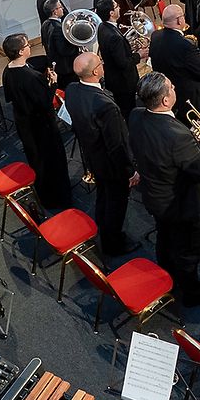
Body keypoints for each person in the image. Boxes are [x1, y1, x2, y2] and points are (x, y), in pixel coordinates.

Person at [128, 73, 200, 307]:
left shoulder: (137, 115)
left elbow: (162, 150)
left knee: (165, 240)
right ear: (166, 101)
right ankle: (191, 294)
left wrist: (190, 140)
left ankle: (165, 277)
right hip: (181, 205)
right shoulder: (177, 136)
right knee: (188, 252)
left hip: (155, 196)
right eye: (171, 86)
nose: (174, 87)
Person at [64, 53, 138, 256]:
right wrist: (129, 172)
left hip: (92, 157)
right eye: (100, 62)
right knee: (117, 202)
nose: (103, 63)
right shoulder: (106, 107)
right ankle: (113, 244)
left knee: (104, 196)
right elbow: (116, 146)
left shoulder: (71, 90)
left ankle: (103, 230)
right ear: (96, 71)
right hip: (111, 165)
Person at [1, 41, 72, 211]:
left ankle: (44, 193)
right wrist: (53, 83)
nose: (29, 47)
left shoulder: (7, 71)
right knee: (51, 160)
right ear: (19, 51)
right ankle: (58, 198)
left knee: (37, 159)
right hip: (41, 126)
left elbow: (12, 96)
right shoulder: (30, 77)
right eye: (26, 45)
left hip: (25, 123)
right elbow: (44, 101)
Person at [149, 4, 200, 120]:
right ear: (179, 20)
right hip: (188, 99)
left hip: (165, 94)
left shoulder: (155, 36)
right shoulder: (186, 45)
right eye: (183, 16)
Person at [95, 0, 146, 114]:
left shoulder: (102, 27)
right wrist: (139, 54)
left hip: (113, 78)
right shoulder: (114, 37)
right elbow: (123, 63)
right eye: (117, 6)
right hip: (124, 83)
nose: (120, 7)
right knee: (129, 110)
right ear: (111, 13)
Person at [40, 0, 79, 89]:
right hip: (65, 68)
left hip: (55, 65)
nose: (63, 9)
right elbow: (64, 50)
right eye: (60, 7)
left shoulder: (45, 24)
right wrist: (77, 46)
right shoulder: (57, 28)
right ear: (55, 12)